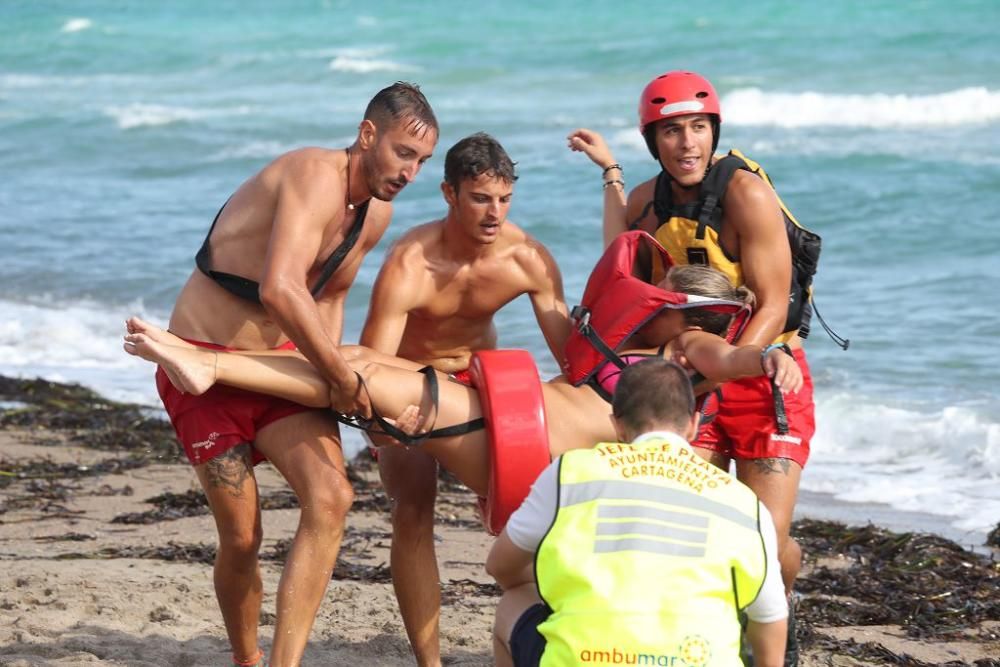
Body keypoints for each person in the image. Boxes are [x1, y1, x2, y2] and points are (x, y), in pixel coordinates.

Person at [149, 81, 438, 667]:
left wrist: (339, 390)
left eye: (423, 162)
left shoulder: (375, 215)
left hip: (278, 369)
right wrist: (343, 378)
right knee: (242, 537)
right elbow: (280, 289)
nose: (411, 172)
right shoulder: (313, 174)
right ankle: (247, 659)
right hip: (204, 368)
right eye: (404, 154)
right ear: (367, 136)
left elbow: (328, 300)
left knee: (332, 495)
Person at [124, 263, 801, 501]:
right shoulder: (640, 349)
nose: (651, 301)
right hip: (512, 417)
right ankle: (205, 360)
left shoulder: (686, 349)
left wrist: (765, 358)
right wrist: (611, 174)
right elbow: (619, 246)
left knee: (359, 372)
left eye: (664, 296)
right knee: (364, 357)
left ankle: (209, 364)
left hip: (523, 447)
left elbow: (726, 355)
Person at [568, 70, 816, 663]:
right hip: (694, 385)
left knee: (762, 540)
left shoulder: (744, 193)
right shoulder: (648, 200)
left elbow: (774, 299)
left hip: (766, 380)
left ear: (714, 131)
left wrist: (713, 374)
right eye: (673, 131)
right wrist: (611, 173)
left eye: (698, 128)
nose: (687, 143)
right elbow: (619, 260)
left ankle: (785, 579)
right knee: (678, 522)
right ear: (654, 139)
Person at [357, 132, 570, 667]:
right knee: (413, 509)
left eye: (504, 199)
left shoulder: (527, 259)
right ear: (449, 194)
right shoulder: (411, 263)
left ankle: (549, 640)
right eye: (480, 199)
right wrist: (381, 426)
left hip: (483, 395)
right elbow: (369, 365)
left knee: (539, 514)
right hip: (409, 387)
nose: (494, 213)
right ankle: (429, 661)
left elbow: (573, 360)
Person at [487, 358, 788, 667]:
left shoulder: (570, 471)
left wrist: (560, 596)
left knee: (512, 603)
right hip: (695, 658)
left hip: (590, 659)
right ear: (694, 424)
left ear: (616, 424)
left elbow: (501, 565)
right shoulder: (743, 501)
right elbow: (770, 616)